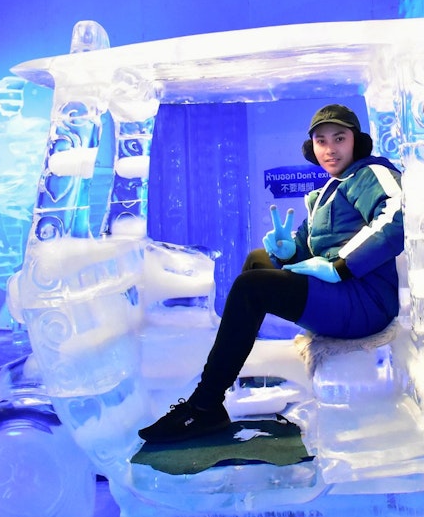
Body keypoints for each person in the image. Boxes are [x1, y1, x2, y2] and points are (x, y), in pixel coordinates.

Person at [139, 104, 404, 443]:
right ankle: (224, 376)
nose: (330, 149)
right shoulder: (328, 191)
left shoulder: (371, 174)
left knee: (253, 288)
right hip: (342, 296)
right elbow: (307, 250)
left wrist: (341, 266)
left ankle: (204, 405)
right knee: (258, 261)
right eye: (321, 141)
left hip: (366, 301)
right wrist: (287, 251)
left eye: (339, 138)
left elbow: (397, 217)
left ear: (356, 141)